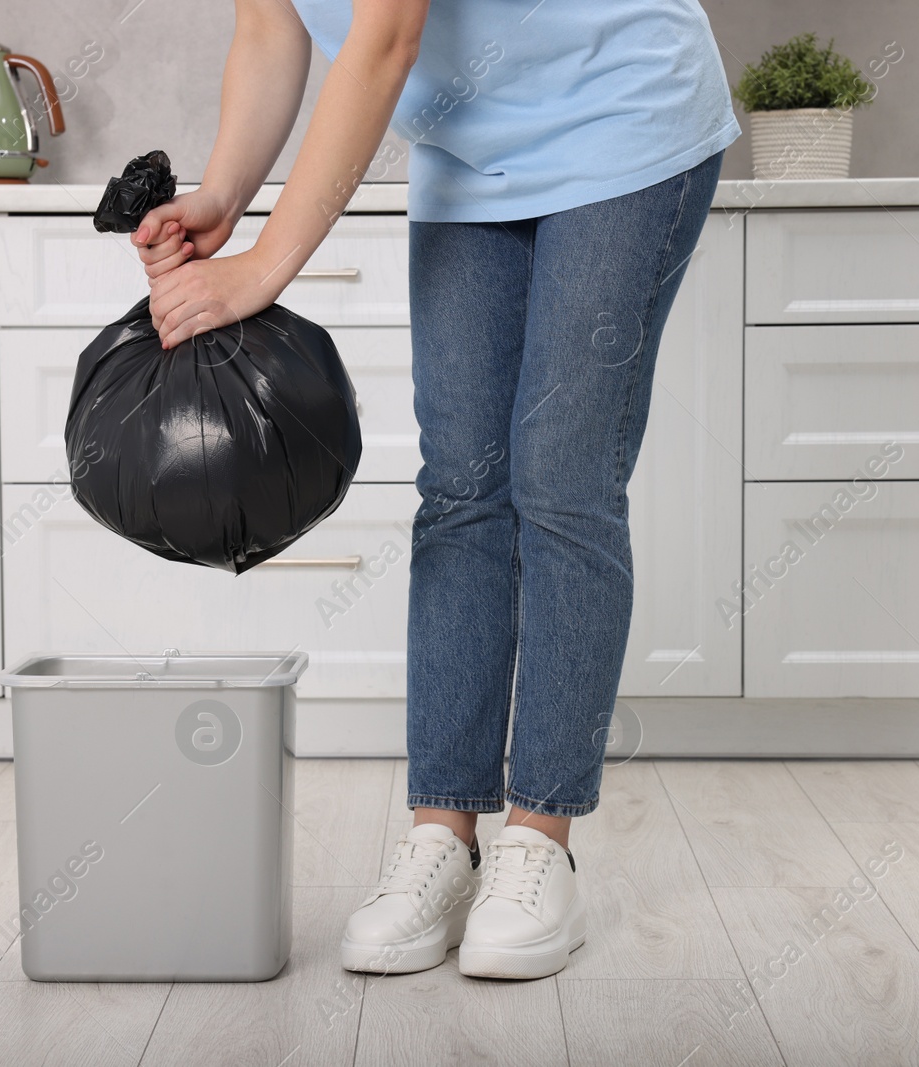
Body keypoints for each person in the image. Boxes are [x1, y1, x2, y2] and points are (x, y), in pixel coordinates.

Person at [134, 0, 738, 980]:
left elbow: (383, 35)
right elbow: (268, 25)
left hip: (622, 120)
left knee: (560, 478)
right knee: (461, 489)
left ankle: (539, 842)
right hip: (470, 154)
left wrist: (261, 269)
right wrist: (225, 195)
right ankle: (441, 840)